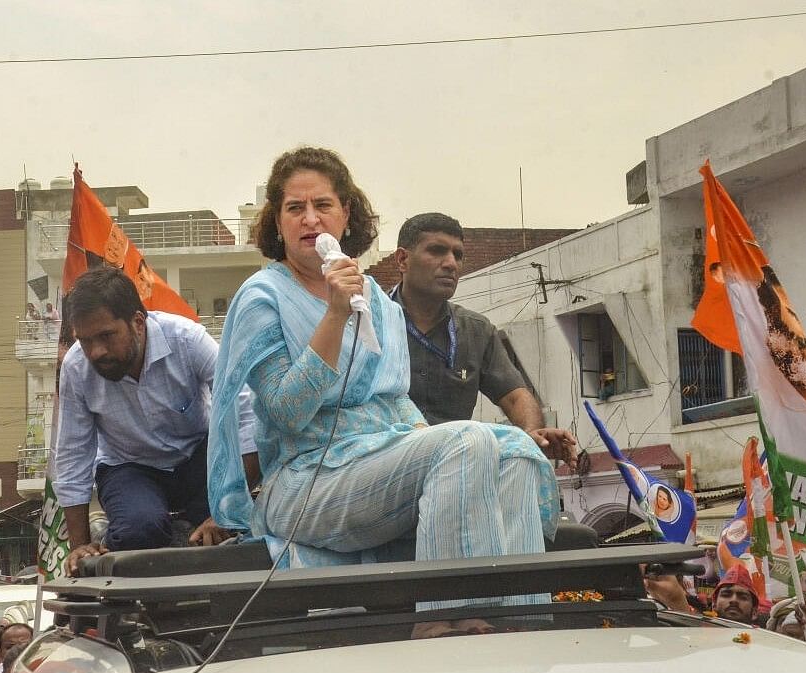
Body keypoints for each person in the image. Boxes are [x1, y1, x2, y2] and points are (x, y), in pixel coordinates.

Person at [208, 147, 561, 639]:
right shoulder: (261, 297)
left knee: (516, 450)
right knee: (466, 440)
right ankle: (438, 624)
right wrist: (334, 313)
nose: (310, 219)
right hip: (307, 477)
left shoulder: (379, 302)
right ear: (278, 221)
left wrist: (439, 447)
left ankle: (522, 631)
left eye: (323, 205)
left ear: (346, 213)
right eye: (295, 208)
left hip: (382, 454)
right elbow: (287, 413)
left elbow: (398, 403)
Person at [53, 267, 258, 575]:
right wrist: (80, 545)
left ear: (137, 322)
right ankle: (110, 534)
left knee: (229, 531)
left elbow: (246, 420)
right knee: (137, 532)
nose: (96, 351)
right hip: (129, 467)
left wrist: (226, 511)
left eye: (106, 336)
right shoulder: (75, 368)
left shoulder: (188, 339)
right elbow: (72, 457)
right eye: (85, 341)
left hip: (199, 458)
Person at [390, 212, 578, 464]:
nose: (450, 264)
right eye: (437, 251)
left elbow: (515, 396)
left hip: (455, 461)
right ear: (402, 259)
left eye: (458, 255)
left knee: (525, 459)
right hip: (386, 458)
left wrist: (533, 435)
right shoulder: (369, 319)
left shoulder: (476, 330)